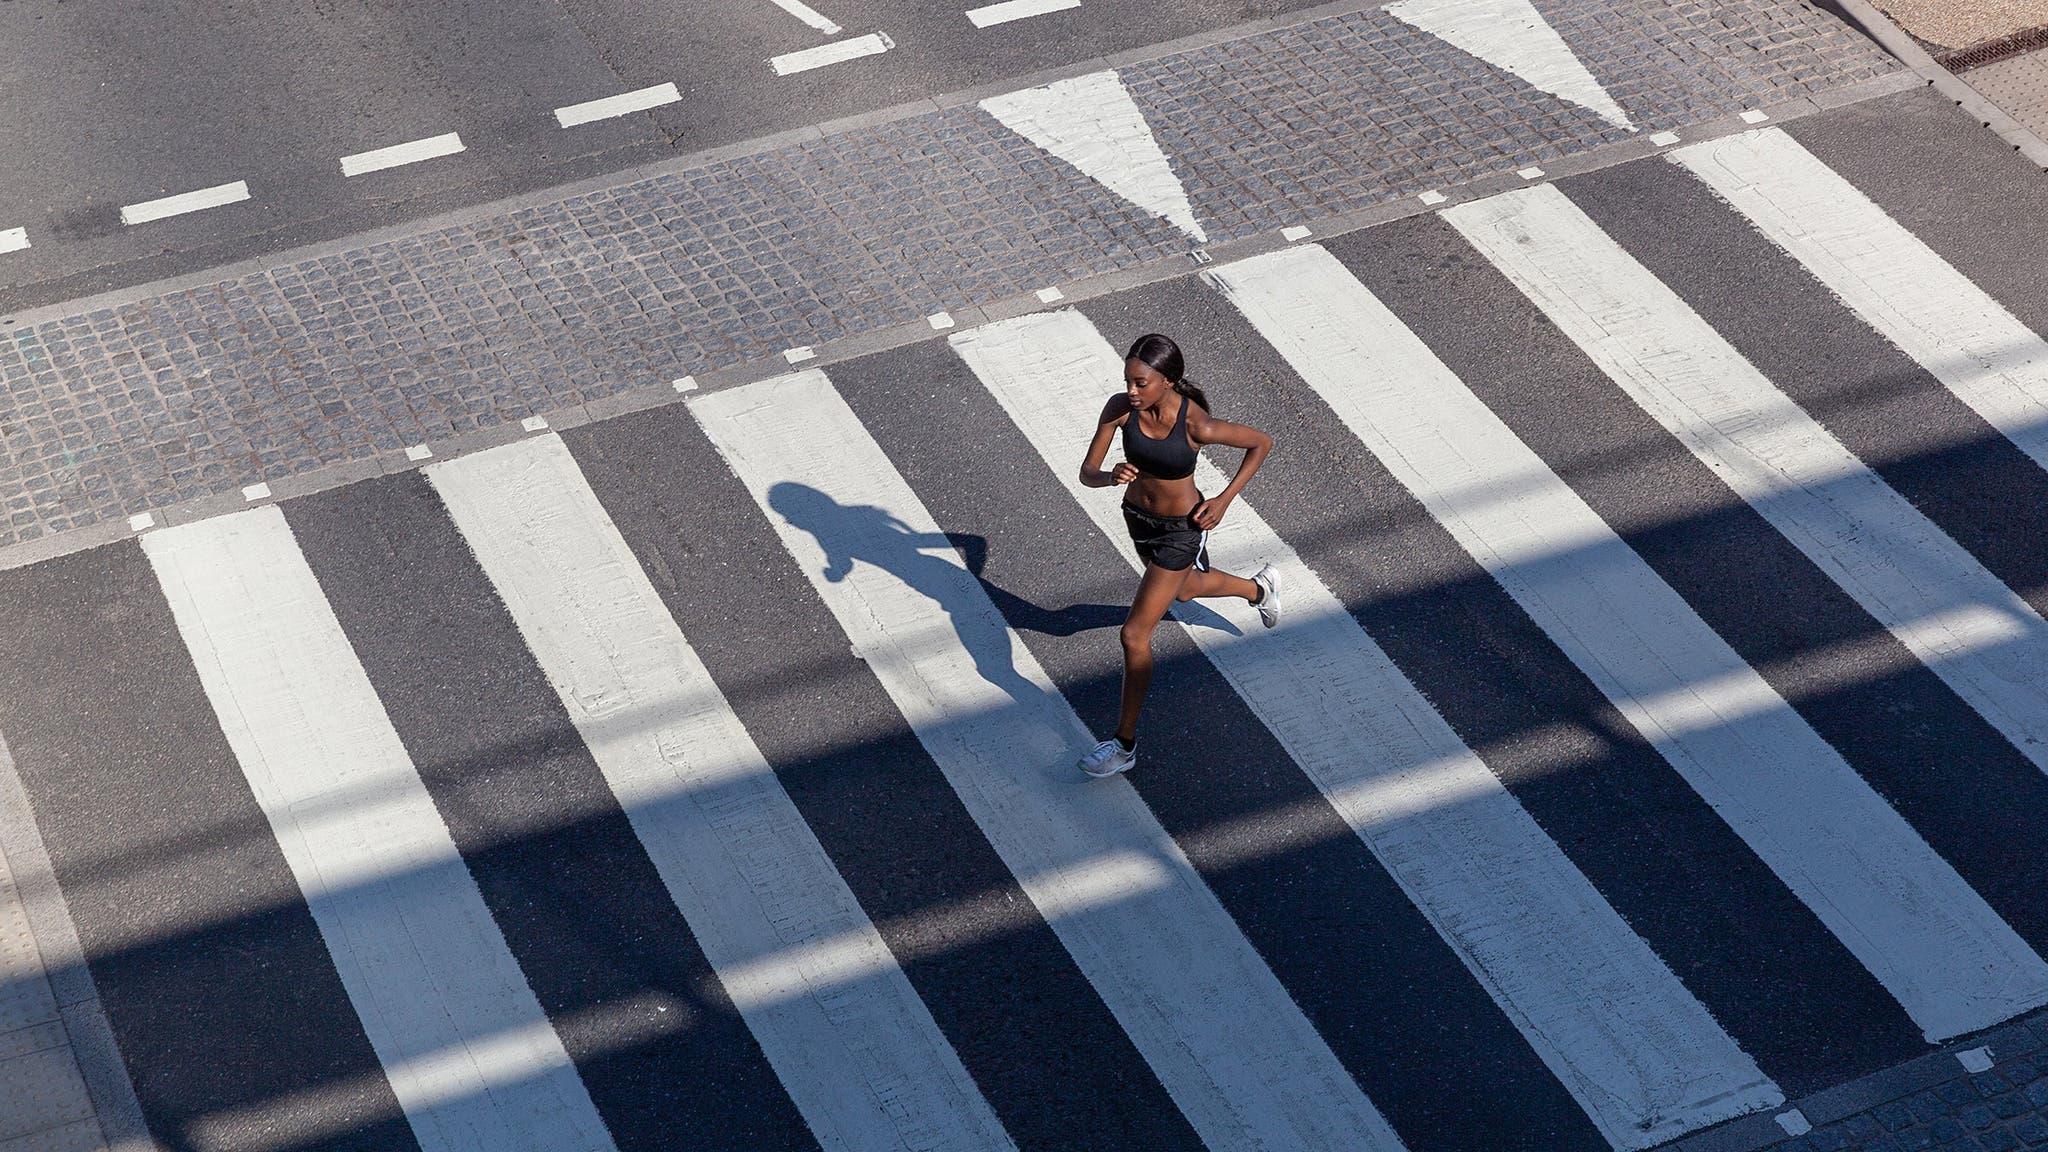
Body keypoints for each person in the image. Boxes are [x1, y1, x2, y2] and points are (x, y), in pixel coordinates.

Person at [1075, 333, 1279, 779]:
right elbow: (1086, 473)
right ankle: (1259, 588)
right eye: (1128, 380)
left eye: (1140, 382)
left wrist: (1224, 499)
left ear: (1167, 381)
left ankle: (1124, 745)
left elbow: (1260, 442)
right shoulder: (1119, 408)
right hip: (1138, 520)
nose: (1131, 390)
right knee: (1184, 592)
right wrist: (1110, 475)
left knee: (1134, 635)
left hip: (1181, 531)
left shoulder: (1196, 425)